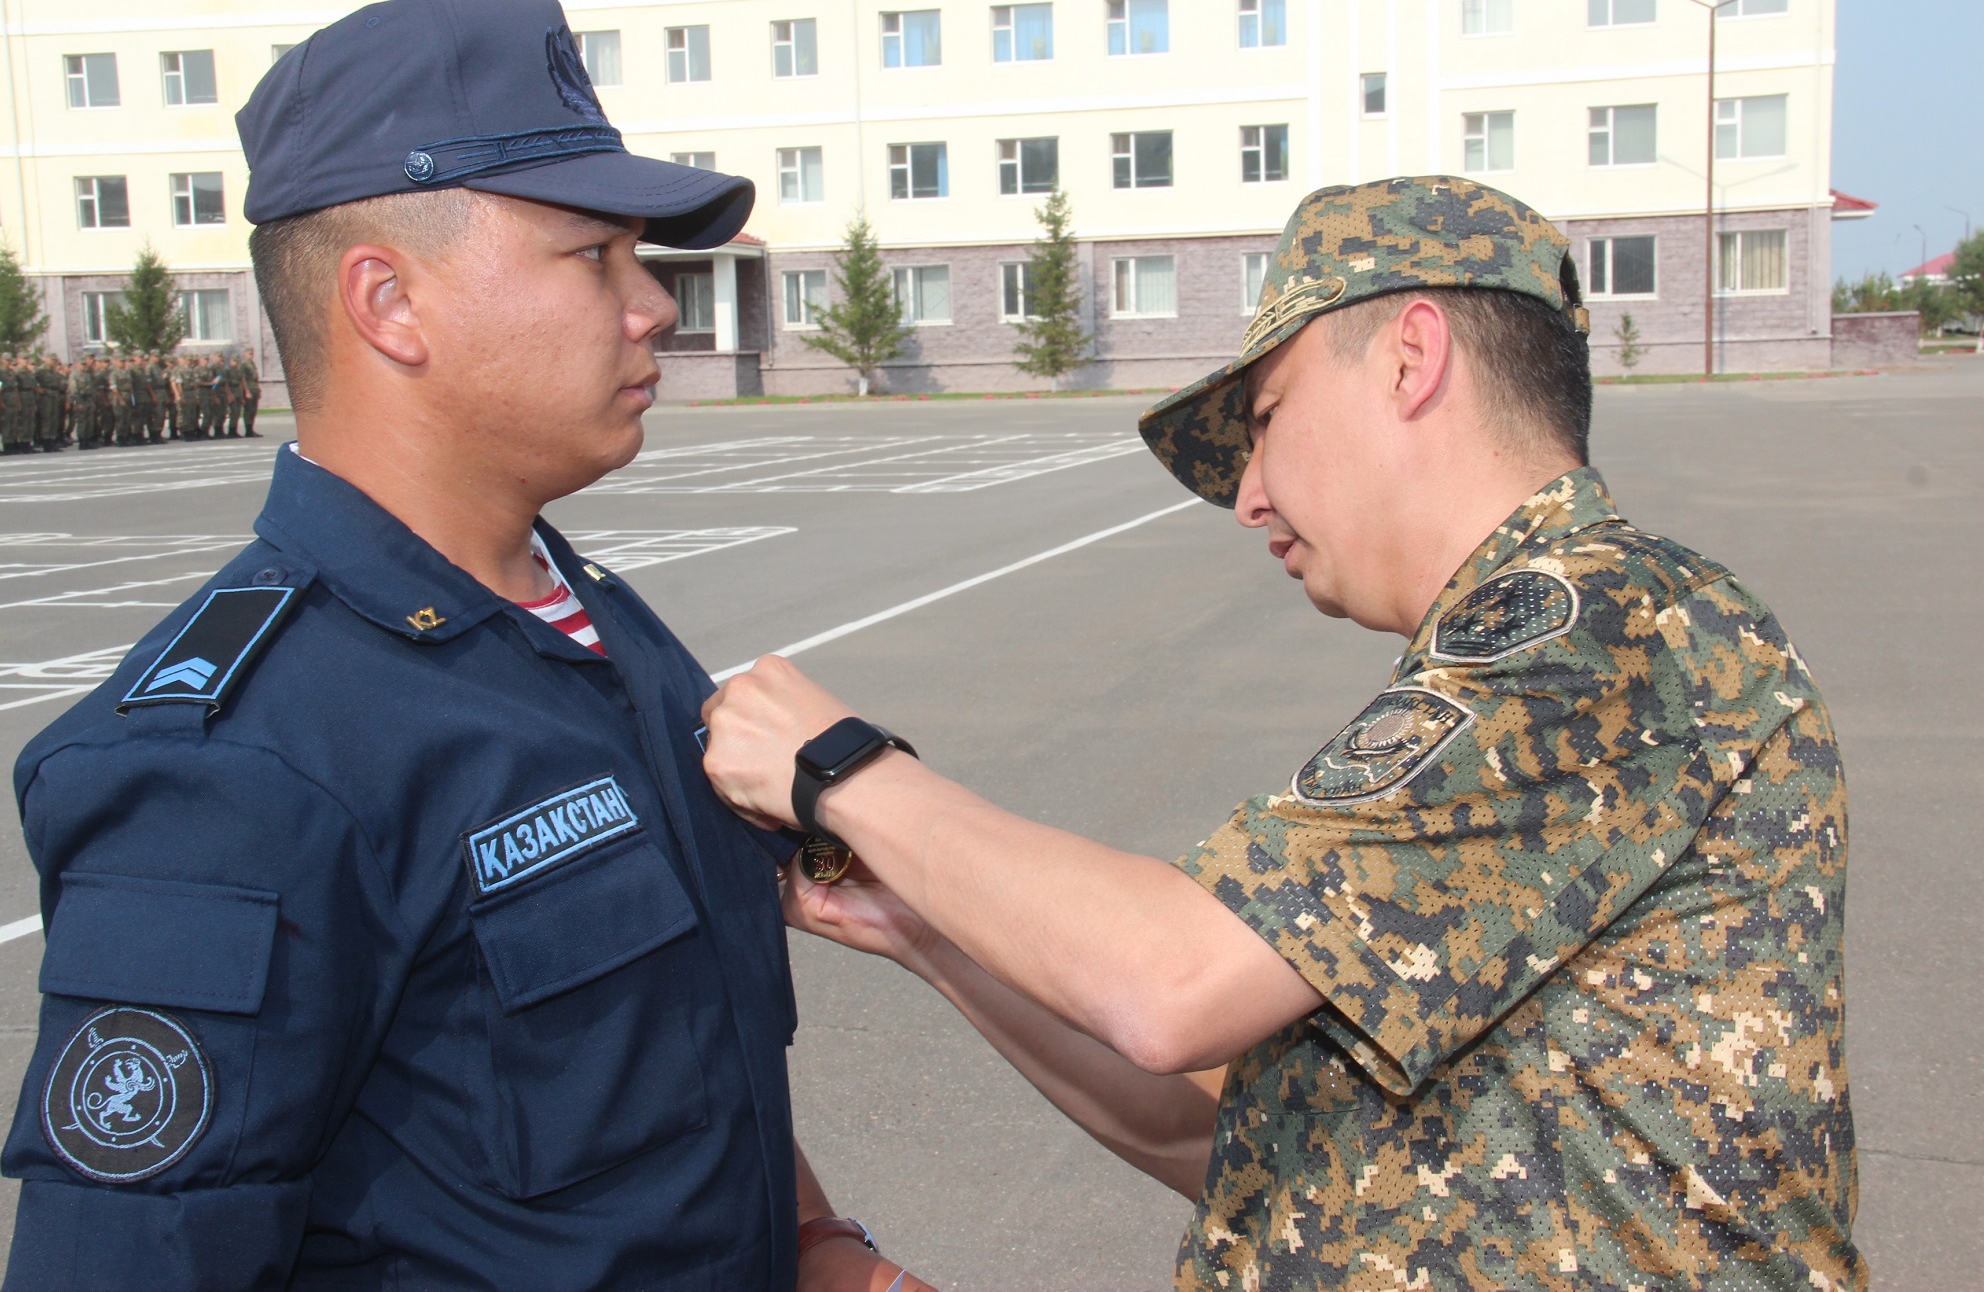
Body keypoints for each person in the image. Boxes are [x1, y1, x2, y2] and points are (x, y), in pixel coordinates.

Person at [701, 177, 1867, 1291]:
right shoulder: (1539, 660)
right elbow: (1238, 1140)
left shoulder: (1606, 629)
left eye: (1265, 420)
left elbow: (1169, 981)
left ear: (1410, 360)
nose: (1249, 494)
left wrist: (836, 765)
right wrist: (921, 925)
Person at [2, 0, 929, 1292]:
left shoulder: (594, 622)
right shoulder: (238, 767)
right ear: (390, 303)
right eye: (593, 256)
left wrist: (823, 1247)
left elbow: (657, 1079)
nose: (653, 306)